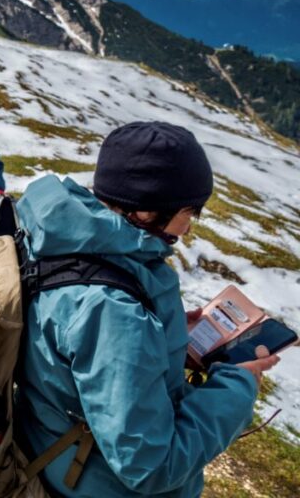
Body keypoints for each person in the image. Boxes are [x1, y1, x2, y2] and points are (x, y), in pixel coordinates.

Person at [14, 121, 276, 498]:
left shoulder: (57, 238)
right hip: (91, 484)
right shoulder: (115, 312)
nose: (189, 227)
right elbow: (151, 466)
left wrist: (164, 338)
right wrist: (238, 385)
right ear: (148, 211)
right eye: (190, 212)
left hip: (49, 444)